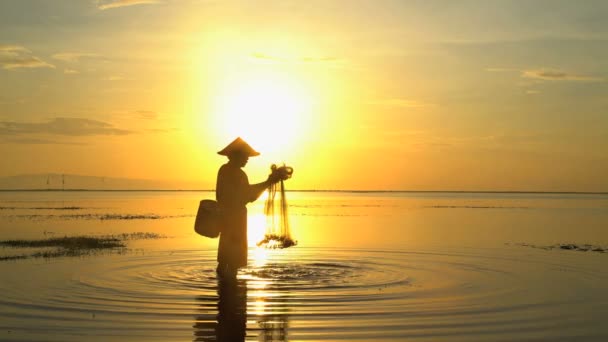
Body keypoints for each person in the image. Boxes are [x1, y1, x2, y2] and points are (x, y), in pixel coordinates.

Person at [215, 137, 283, 279]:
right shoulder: (236, 173)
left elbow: (244, 194)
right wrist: (268, 182)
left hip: (226, 219)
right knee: (232, 262)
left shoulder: (224, 170)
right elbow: (248, 195)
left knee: (224, 260)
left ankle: (223, 290)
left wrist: (267, 182)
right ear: (235, 155)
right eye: (245, 156)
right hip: (235, 220)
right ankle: (230, 292)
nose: (247, 159)